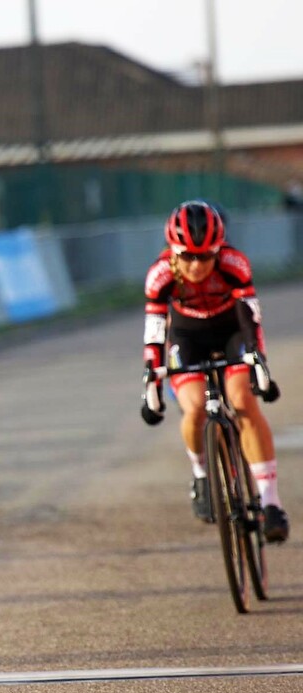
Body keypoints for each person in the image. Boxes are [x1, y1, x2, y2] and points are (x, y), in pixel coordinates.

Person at [140, 200, 290, 542]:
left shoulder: (234, 263)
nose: (196, 265)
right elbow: (154, 332)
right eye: (187, 256)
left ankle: (270, 503)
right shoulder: (160, 274)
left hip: (230, 330)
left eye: (205, 256)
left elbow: (250, 319)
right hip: (186, 335)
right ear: (172, 251)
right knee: (193, 410)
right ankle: (201, 474)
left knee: (242, 401)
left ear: (218, 250)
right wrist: (150, 386)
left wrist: (258, 367)